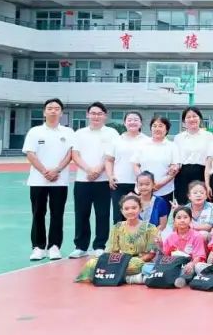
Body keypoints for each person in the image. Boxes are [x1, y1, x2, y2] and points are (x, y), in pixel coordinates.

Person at [23, 98, 75, 261]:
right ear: (44, 112)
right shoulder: (35, 131)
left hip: (60, 180)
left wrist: (57, 170)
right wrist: (45, 171)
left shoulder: (68, 132)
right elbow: (30, 153)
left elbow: (70, 154)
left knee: (57, 214)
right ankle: (38, 247)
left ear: (61, 112)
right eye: (50, 108)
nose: (53, 111)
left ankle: (54, 246)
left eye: (57, 108)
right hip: (38, 180)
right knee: (38, 213)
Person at [69, 101, 119, 258]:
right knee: (81, 214)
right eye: (93, 113)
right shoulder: (79, 133)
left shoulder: (111, 133)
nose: (96, 116)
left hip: (103, 180)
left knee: (102, 214)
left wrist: (98, 169)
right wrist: (89, 170)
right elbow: (75, 155)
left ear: (105, 116)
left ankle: (99, 245)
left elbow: (110, 155)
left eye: (99, 113)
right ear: (87, 115)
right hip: (82, 180)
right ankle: (81, 246)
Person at [74, 193, 159, 283]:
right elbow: (112, 251)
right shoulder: (117, 227)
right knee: (92, 264)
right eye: (126, 209)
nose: (130, 211)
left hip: (140, 261)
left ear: (140, 208)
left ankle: (121, 277)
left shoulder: (150, 228)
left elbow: (151, 254)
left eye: (134, 208)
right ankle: (128, 278)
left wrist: (135, 261)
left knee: (141, 267)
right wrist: (112, 262)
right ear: (122, 211)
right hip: (121, 260)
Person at [106, 111, 149, 222]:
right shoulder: (116, 140)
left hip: (141, 185)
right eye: (129, 120)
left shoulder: (147, 141)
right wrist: (110, 176)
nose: (132, 122)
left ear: (141, 123)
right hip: (119, 183)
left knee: (139, 217)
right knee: (119, 217)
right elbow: (109, 160)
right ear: (124, 123)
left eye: (136, 120)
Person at [159, 207, 210, 288]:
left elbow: (199, 257)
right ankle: (175, 278)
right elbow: (166, 255)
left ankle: (180, 279)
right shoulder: (171, 237)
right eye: (179, 218)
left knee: (194, 269)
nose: (182, 220)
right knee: (146, 267)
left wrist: (191, 264)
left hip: (191, 265)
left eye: (185, 217)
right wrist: (160, 245)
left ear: (190, 220)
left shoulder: (197, 236)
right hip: (175, 265)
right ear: (174, 221)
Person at [173, 107, 213, 206]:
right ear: (184, 121)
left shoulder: (208, 136)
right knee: (182, 204)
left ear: (200, 119)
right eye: (188, 117)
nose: (192, 119)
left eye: (194, 116)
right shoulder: (178, 138)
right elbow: (176, 158)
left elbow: (210, 159)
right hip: (182, 174)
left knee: (201, 203)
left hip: (201, 173)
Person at [133, 115, 179, 201]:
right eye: (154, 126)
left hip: (164, 190)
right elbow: (135, 164)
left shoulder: (172, 146)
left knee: (162, 210)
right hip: (143, 190)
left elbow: (174, 169)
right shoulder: (142, 144)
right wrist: (144, 182)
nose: (157, 128)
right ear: (151, 128)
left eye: (160, 126)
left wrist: (158, 185)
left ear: (167, 129)